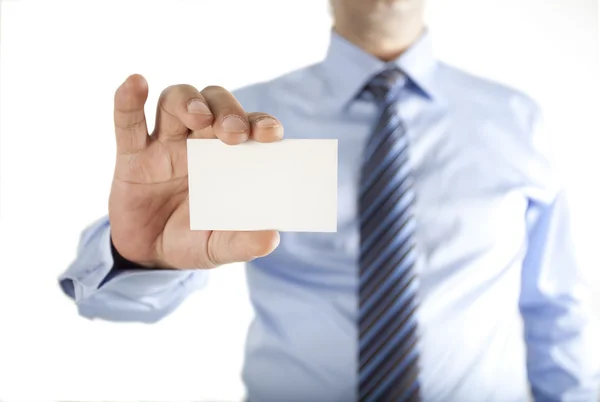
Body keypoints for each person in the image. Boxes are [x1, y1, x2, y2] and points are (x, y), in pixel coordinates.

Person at [59, 0, 599, 401]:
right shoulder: (245, 124)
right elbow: (103, 300)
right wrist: (138, 256)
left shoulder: (516, 119)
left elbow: (556, 307)